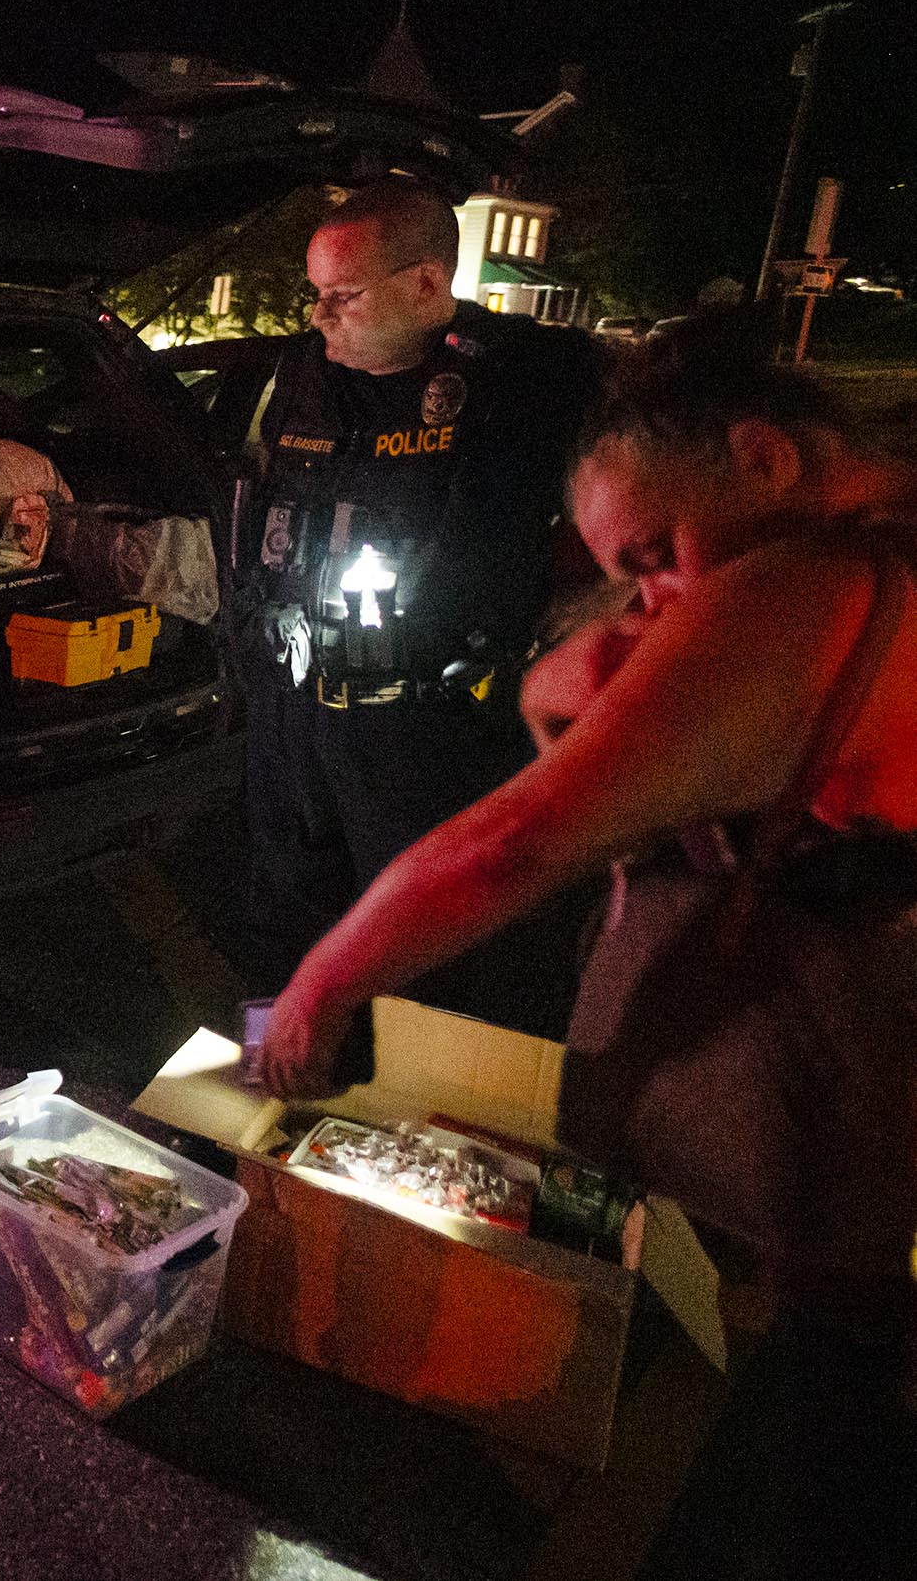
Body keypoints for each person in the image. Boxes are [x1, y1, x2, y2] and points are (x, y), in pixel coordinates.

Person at [256, 321, 917, 1575]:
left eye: (659, 554)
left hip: (835, 1148)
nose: (657, 596)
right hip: (878, 1145)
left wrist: (321, 987)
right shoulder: (883, 552)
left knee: (821, 1476)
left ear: (763, 457)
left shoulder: (795, 593)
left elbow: (516, 841)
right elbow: (569, 690)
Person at [237, 178, 604, 1033]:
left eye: (345, 296)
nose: (321, 317)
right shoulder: (302, 372)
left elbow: (628, 522)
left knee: (427, 955)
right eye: (315, 296)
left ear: (428, 286)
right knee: (277, 930)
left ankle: (410, 1138)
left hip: (429, 734)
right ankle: (267, 1105)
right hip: (295, 712)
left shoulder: (528, 378)